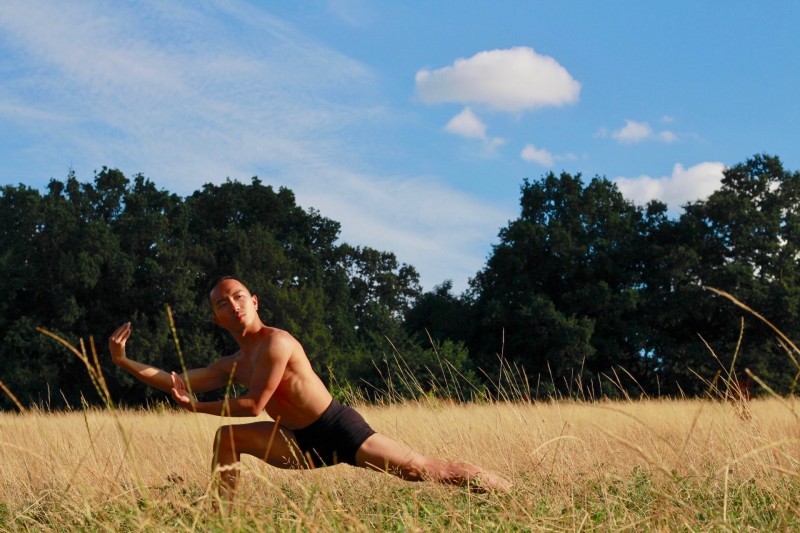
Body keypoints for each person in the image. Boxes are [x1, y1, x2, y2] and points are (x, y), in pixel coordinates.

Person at [108, 276, 510, 501]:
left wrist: (196, 408)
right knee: (226, 440)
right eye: (222, 303)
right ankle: (222, 520)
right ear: (217, 319)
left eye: (239, 296)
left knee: (422, 470)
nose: (233, 305)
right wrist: (124, 362)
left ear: (254, 301)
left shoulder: (277, 343)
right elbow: (175, 381)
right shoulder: (233, 363)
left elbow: (252, 406)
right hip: (294, 440)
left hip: (337, 428)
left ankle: (506, 491)